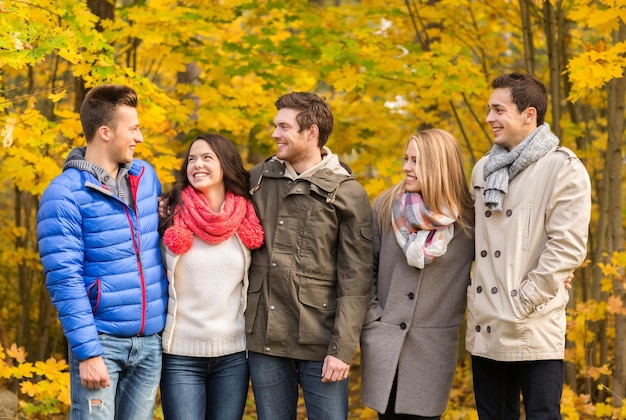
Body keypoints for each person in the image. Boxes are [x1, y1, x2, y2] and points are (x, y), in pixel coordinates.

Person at [37, 84, 168, 419]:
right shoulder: (64, 194)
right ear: (105, 132)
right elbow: (65, 279)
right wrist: (88, 352)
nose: (140, 137)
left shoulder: (146, 177)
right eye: (134, 129)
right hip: (102, 342)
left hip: (150, 341)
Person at [466, 72, 591, 419]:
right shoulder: (483, 170)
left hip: (531, 325)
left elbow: (566, 248)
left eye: (498, 109)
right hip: (486, 324)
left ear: (529, 114)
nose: (489, 118)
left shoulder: (562, 168)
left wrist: (522, 302)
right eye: (489, 109)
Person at [245, 91, 373, 419]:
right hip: (265, 339)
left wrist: (342, 350)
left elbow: (356, 279)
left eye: (284, 127)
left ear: (311, 132)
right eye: (275, 126)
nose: (275, 134)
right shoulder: (259, 179)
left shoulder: (347, 192)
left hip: (321, 344)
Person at [360, 129, 475, 419]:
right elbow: (365, 270)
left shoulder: (469, 221)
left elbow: (498, 261)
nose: (406, 167)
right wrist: (375, 319)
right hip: (385, 346)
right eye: (406, 159)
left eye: (416, 161)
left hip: (432, 353)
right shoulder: (386, 206)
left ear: (439, 165)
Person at [158, 134, 264, 420]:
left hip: (233, 355)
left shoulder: (247, 216)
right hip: (180, 355)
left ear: (225, 164)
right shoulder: (170, 214)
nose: (197, 164)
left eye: (207, 157)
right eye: (192, 158)